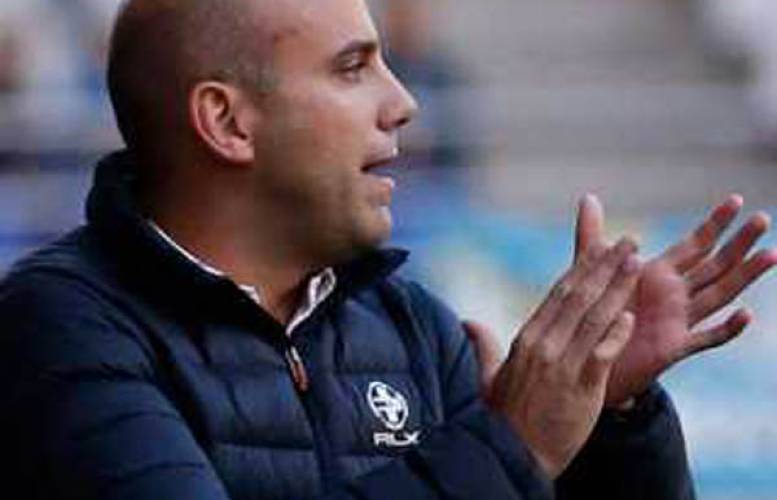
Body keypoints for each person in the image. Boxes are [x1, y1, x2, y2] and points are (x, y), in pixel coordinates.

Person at [0, 0, 774, 499]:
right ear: (227, 122)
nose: (402, 103)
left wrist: (606, 420)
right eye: (352, 69)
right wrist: (509, 444)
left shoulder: (412, 326)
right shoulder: (59, 327)